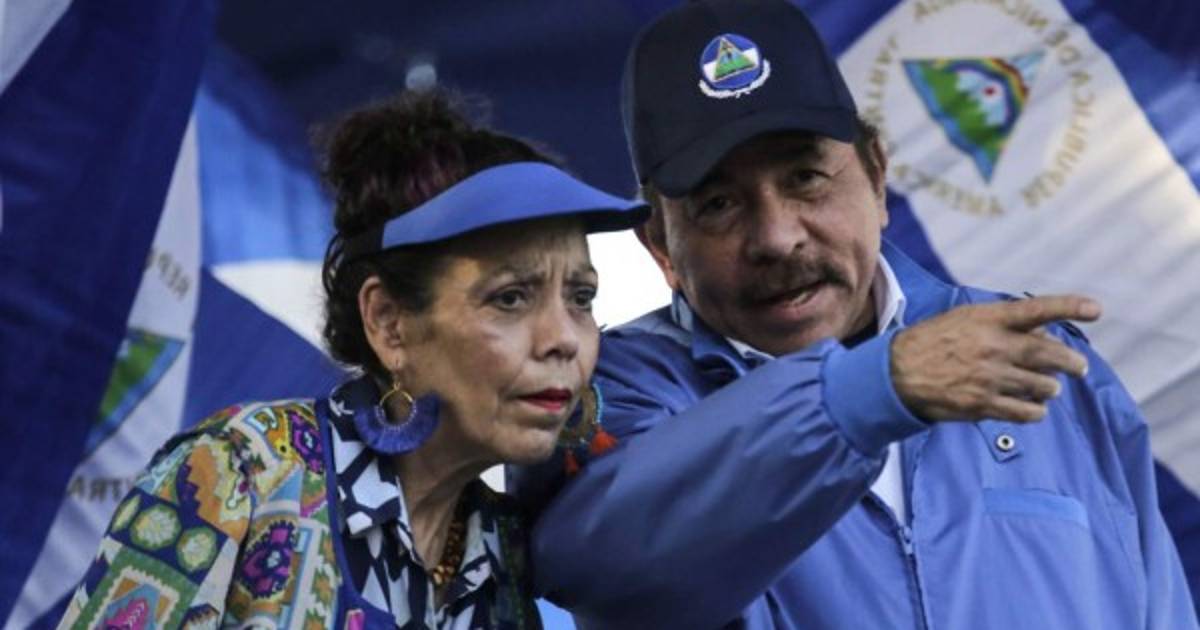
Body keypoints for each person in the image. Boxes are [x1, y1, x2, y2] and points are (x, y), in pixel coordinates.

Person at [510, 1, 1200, 628]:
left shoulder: (1043, 360)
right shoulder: (607, 391)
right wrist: (870, 392)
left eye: (805, 177)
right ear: (659, 243)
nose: (778, 237)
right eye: (718, 204)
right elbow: (604, 568)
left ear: (875, 175)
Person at [57, 90, 646, 629]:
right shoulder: (237, 475)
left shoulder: (504, 552)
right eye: (510, 298)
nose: (563, 339)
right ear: (389, 324)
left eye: (581, 297)